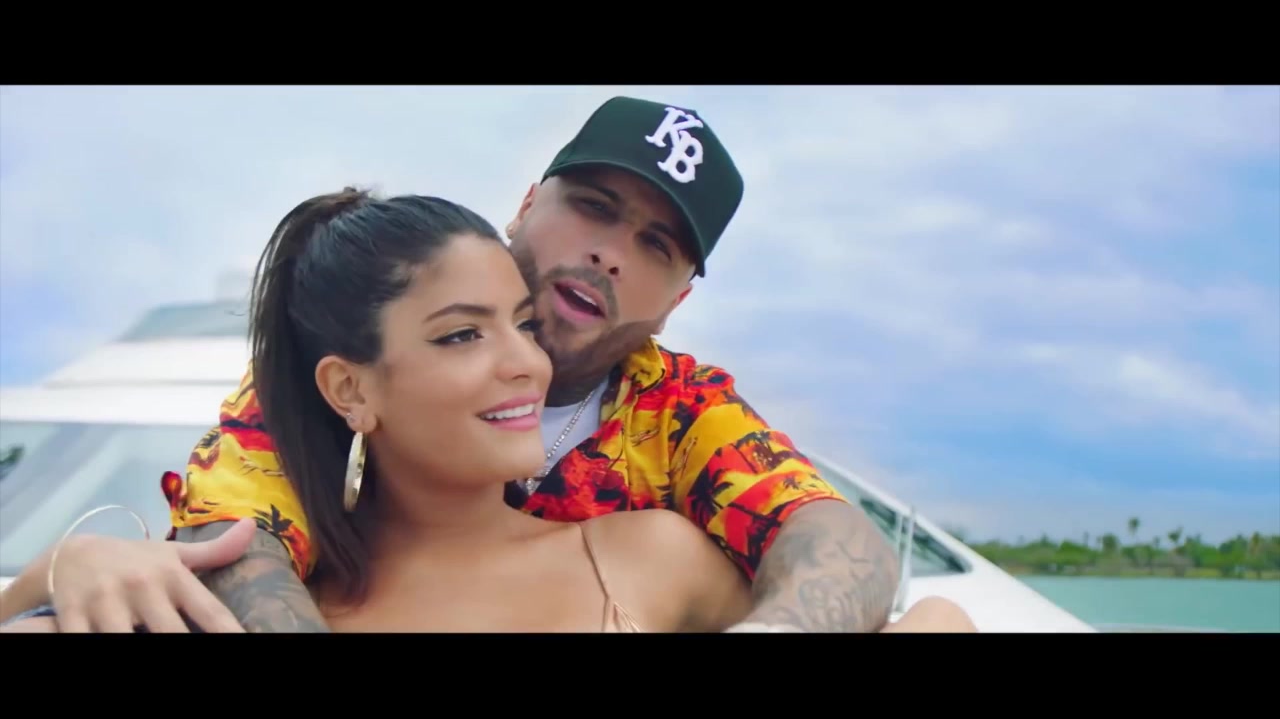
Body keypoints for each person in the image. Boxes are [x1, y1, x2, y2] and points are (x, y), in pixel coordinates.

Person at [1, 95, 977, 633]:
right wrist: (65, 564)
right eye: (593, 207)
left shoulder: (680, 419)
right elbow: (233, 542)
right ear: (526, 203)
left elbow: (826, 535)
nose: (609, 253)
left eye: (655, 246)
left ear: (678, 299)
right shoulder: (320, 381)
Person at [1, 188, 766, 632]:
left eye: (524, 324)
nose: (526, 363)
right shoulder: (245, 601)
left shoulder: (649, 559)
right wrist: (55, 574)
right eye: (462, 335)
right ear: (350, 391)